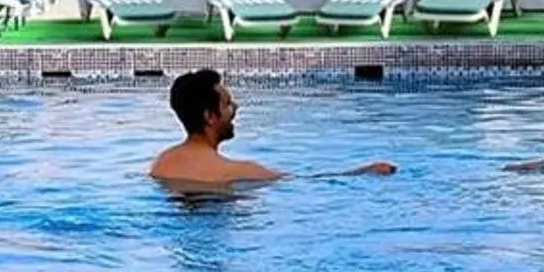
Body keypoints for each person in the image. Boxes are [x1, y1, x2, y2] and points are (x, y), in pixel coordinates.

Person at [149, 68, 397, 189]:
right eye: (227, 104)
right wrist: (365, 171)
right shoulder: (237, 171)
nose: (236, 107)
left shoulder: (162, 163)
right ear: (210, 116)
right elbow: (304, 183)